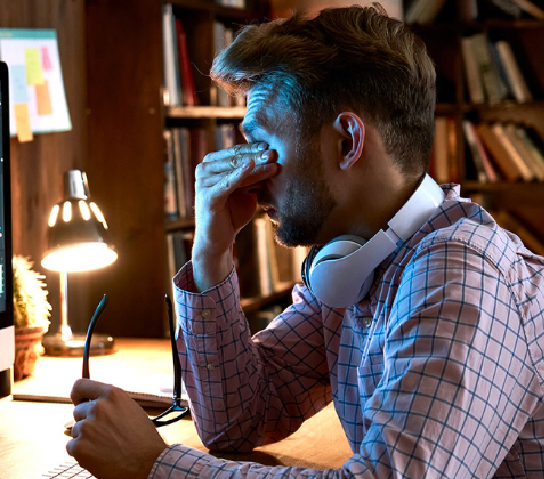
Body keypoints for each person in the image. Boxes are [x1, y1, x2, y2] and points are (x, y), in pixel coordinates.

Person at [66, 4, 544, 478]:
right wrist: (211, 251)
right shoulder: (351, 264)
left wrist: (153, 466)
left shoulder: (456, 272)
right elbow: (238, 420)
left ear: (347, 142)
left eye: (264, 143)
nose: (250, 174)